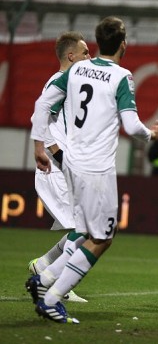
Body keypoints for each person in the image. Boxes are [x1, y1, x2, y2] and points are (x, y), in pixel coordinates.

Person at [27, 16, 158, 324]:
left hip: (72, 164)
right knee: (103, 237)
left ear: (98, 43)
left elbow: (42, 103)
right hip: (96, 168)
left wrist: (39, 145)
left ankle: (45, 277)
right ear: (124, 45)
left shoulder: (75, 69)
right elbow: (130, 124)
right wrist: (151, 134)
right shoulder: (121, 77)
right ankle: (50, 296)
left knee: (86, 231)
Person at [27, 31, 91, 304]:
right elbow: (39, 115)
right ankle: (57, 281)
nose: (90, 56)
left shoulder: (75, 85)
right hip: (54, 168)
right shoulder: (58, 81)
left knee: (85, 226)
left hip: (66, 167)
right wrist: (51, 151)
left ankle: (44, 266)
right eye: (86, 52)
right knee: (85, 227)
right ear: (71, 55)